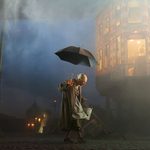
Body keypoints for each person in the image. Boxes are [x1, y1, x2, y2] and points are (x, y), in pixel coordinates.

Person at [59, 73, 92, 143]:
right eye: (83, 82)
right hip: (70, 105)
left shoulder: (79, 86)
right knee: (76, 121)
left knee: (74, 122)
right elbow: (61, 87)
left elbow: (76, 95)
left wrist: (82, 98)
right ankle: (79, 138)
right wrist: (66, 85)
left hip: (76, 106)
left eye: (85, 82)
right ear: (79, 79)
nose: (84, 83)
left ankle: (68, 138)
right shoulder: (71, 82)